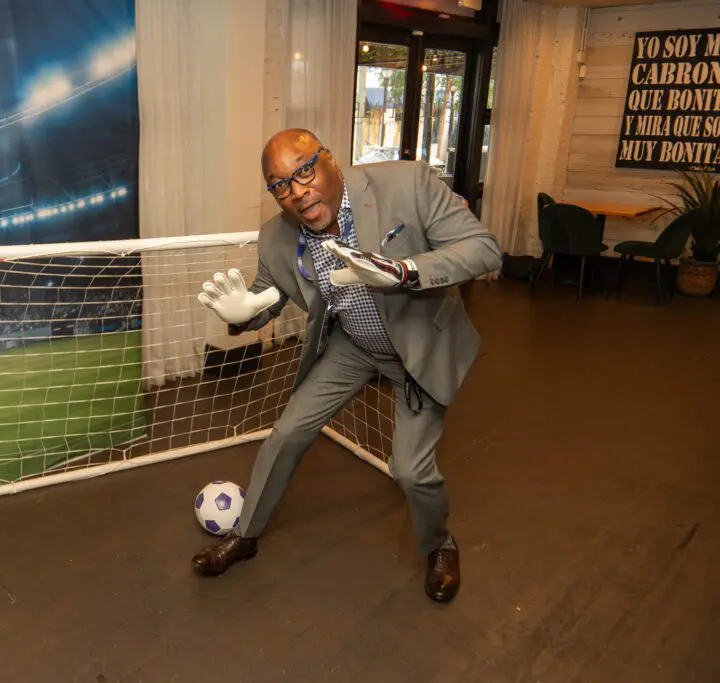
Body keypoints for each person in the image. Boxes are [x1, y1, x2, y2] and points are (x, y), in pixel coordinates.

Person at [192, 128, 501, 603]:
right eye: (279, 184)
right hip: (352, 346)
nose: (296, 191)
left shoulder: (407, 183)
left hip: (416, 348)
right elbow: (266, 297)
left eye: (304, 171)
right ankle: (246, 534)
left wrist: (405, 271)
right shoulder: (277, 236)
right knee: (286, 434)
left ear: (330, 161)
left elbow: (483, 249)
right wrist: (244, 315)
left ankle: (440, 545)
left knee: (412, 473)